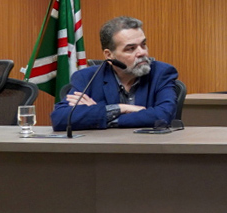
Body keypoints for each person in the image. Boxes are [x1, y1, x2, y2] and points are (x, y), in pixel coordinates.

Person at [50, 16, 179, 131]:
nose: (142, 53)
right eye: (131, 48)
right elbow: (60, 119)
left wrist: (103, 115)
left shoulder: (161, 73)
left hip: (149, 147)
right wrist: (120, 108)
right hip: (105, 147)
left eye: (143, 45)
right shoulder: (87, 77)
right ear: (109, 55)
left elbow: (163, 115)